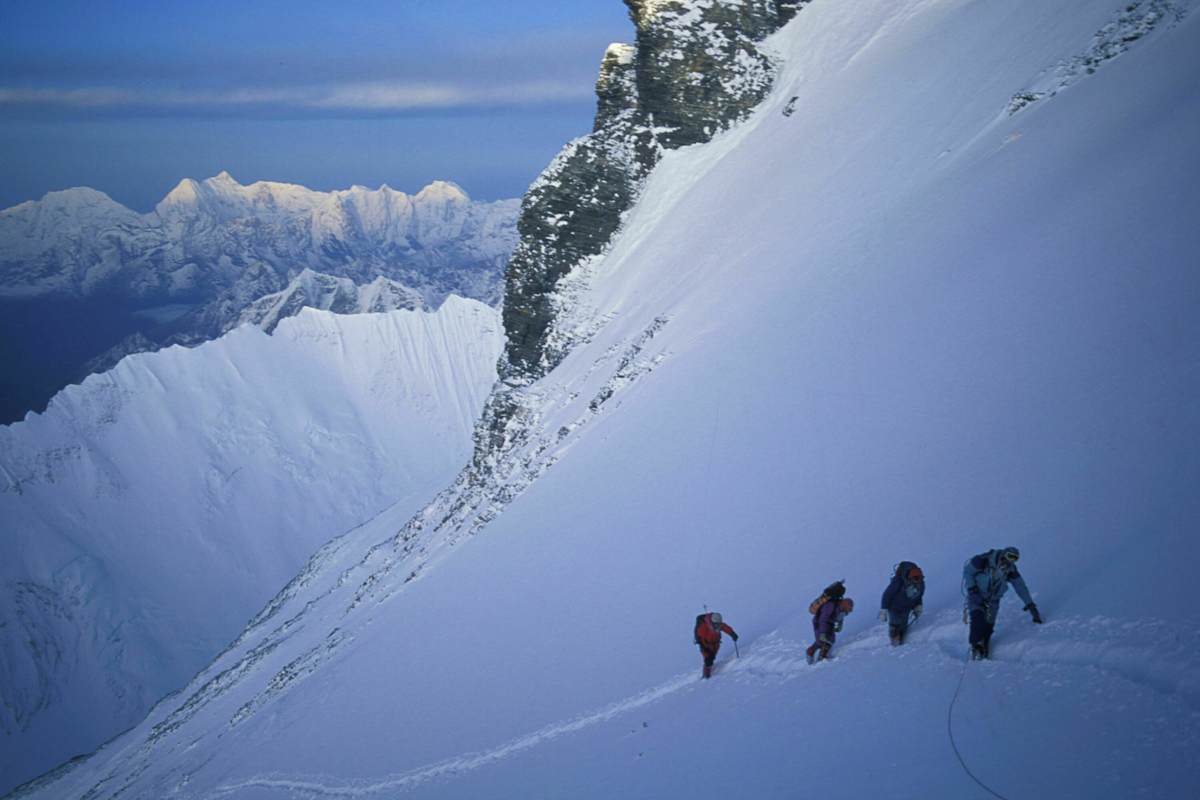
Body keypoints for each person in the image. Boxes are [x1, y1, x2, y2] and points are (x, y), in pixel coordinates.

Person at [962, 546, 1043, 660]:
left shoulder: (1011, 570)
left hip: (993, 599)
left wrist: (1030, 605)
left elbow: (1020, 587)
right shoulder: (984, 560)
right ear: (1004, 554)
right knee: (978, 618)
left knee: (989, 625)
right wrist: (972, 589)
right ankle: (975, 645)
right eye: (1010, 556)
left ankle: (984, 643)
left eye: (1015, 558)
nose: (1011, 560)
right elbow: (967, 571)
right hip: (977, 595)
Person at [806, 581, 854, 663]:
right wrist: (823, 632)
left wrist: (840, 624)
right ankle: (821, 659)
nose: (847, 611)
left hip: (829, 623)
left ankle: (811, 652)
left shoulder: (840, 608)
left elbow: (839, 617)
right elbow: (823, 619)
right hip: (819, 623)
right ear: (844, 604)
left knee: (829, 640)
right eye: (848, 608)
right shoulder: (830, 605)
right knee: (824, 641)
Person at [880, 561, 924, 646]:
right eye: (915, 579)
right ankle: (895, 643)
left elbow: (919, 596)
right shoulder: (898, 582)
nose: (917, 581)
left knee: (903, 625)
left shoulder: (921, 584)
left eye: (919, 579)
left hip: (907, 608)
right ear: (910, 577)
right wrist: (883, 609)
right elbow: (887, 594)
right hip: (894, 607)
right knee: (895, 624)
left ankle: (900, 642)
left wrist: (918, 606)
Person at [693, 611, 738, 679]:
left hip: (716, 644)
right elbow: (700, 638)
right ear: (712, 622)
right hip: (705, 645)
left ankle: (709, 669)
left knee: (712, 657)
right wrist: (704, 648)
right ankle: (706, 676)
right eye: (716, 624)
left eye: (719, 624)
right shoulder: (704, 627)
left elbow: (725, 628)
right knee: (708, 659)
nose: (718, 626)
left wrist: (732, 634)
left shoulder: (718, 624)